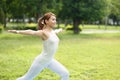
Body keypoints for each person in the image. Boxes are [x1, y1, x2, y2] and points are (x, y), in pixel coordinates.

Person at [8, 12, 69, 80]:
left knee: (65, 73)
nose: (55, 21)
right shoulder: (43, 33)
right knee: (27, 78)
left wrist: (59, 30)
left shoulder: (52, 32)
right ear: (46, 21)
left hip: (50, 60)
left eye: (55, 19)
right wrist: (17, 31)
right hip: (41, 61)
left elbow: (56, 32)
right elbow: (31, 32)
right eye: (53, 20)